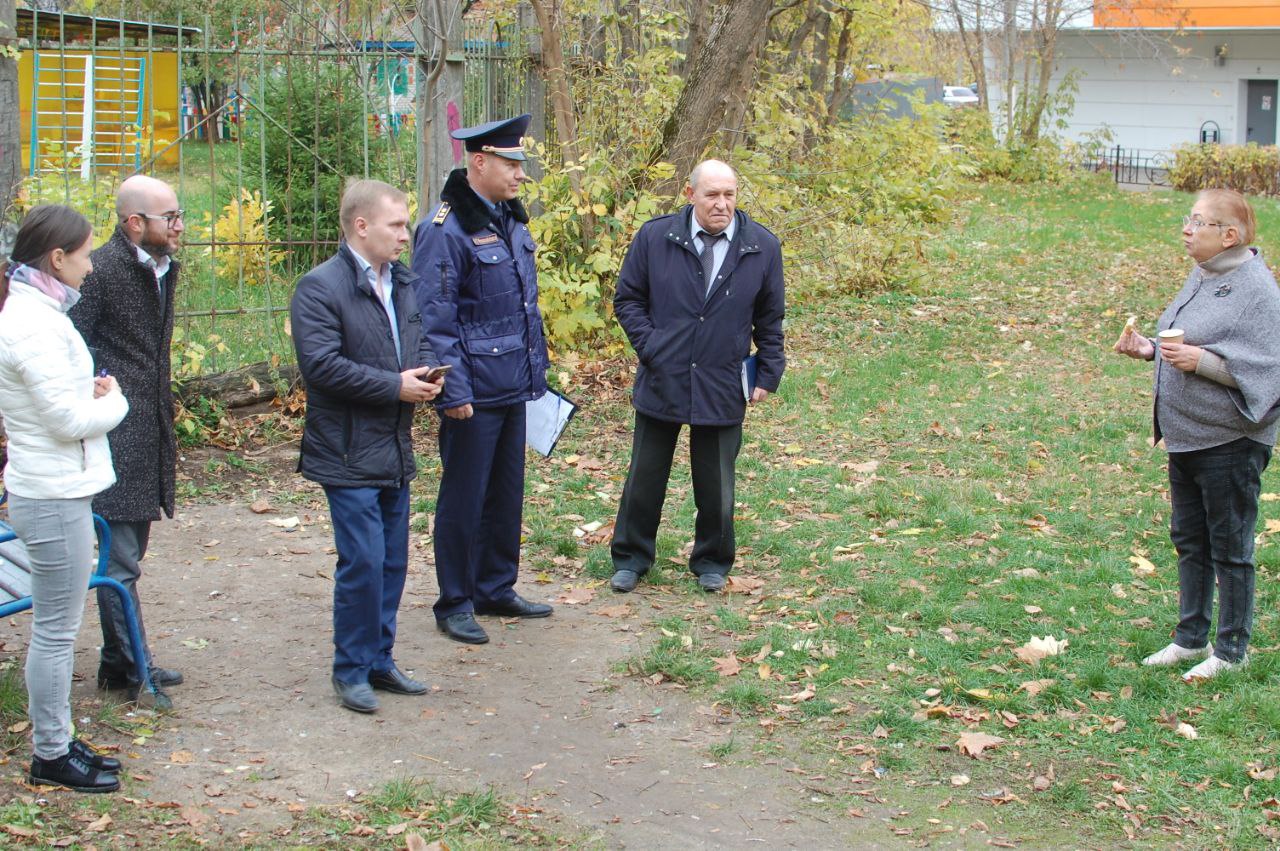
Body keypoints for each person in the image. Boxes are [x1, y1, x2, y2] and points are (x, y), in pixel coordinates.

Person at [291, 179, 444, 713]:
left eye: (405, 225)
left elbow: (417, 339)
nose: (406, 235)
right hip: (347, 450)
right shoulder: (319, 288)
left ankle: (380, 660)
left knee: (393, 561)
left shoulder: (401, 281)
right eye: (396, 225)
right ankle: (350, 668)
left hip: (394, 447)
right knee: (363, 560)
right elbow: (322, 366)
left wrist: (426, 374)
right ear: (361, 226)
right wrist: (394, 386)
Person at [1115, 188, 1280, 681]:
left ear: (1230, 235)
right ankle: (1190, 639)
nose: (1186, 230)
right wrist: (1148, 349)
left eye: (1198, 222)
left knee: (1230, 545)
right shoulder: (1205, 274)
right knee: (1190, 539)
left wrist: (1203, 363)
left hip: (1230, 441)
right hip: (1188, 436)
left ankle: (1231, 651)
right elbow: (1188, 340)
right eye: (1188, 219)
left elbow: (1271, 369)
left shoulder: (1259, 292)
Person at [609, 159, 785, 594]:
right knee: (645, 475)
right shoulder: (655, 237)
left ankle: (712, 560)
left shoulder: (761, 245)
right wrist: (652, 347)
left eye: (729, 195)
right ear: (691, 195)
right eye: (712, 195)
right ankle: (631, 557)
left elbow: (770, 318)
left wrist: (768, 371)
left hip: (722, 378)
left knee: (717, 480)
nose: (721, 204)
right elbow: (628, 298)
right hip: (662, 376)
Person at [0, 205, 129, 792]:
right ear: (56, 258)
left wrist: (88, 389)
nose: (91, 267)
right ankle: (50, 752)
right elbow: (65, 419)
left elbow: (55, 399)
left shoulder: (40, 312)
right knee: (55, 630)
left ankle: (58, 738)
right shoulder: (32, 322)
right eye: (84, 256)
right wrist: (115, 401)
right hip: (50, 496)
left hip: (54, 490)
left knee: (57, 625)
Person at [413, 113, 553, 645]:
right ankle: (454, 600)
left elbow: (520, 307)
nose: (521, 174)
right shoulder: (445, 228)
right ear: (480, 161)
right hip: (471, 389)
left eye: (521, 163)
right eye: (511, 163)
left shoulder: (508, 220)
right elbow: (435, 317)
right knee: (464, 496)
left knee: (504, 493)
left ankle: (495, 586)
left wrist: (533, 375)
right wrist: (453, 391)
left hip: (510, 381)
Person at [70, 175, 184, 708]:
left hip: (149, 431)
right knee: (119, 562)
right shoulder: (103, 270)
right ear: (135, 223)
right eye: (171, 218)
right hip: (116, 433)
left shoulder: (160, 266)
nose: (180, 226)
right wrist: (103, 384)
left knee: (129, 553)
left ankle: (119, 662)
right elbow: (73, 342)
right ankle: (134, 668)